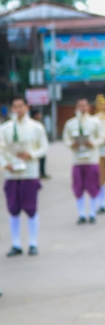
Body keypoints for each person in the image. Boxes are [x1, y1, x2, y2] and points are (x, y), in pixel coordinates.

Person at [1, 97, 48, 257]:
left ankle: (33, 243)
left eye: (20, 106)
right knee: (13, 209)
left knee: (31, 208)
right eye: (15, 106)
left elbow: (43, 147)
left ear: (26, 107)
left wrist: (31, 154)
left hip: (29, 172)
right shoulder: (5, 128)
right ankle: (16, 244)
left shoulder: (36, 127)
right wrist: (4, 163)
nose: (18, 109)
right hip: (12, 173)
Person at [63, 98, 102, 224]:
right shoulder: (70, 123)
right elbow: (66, 138)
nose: (82, 108)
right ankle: (81, 214)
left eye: (84, 106)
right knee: (78, 187)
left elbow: (101, 137)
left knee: (93, 186)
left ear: (88, 107)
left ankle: (92, 213)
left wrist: (93, 143)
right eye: (79, 106)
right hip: (77, 159)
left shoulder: (95, 122)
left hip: (91, 159)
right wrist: (71, 144)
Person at [30, 110, 50, 179]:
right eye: (38, 114)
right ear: (35, 115)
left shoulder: (39, 123)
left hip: (40, 145)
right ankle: (36, 173)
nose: (40, 115)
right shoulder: (31, 124)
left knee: (42, 159)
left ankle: (42, 173)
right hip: (34, 146)